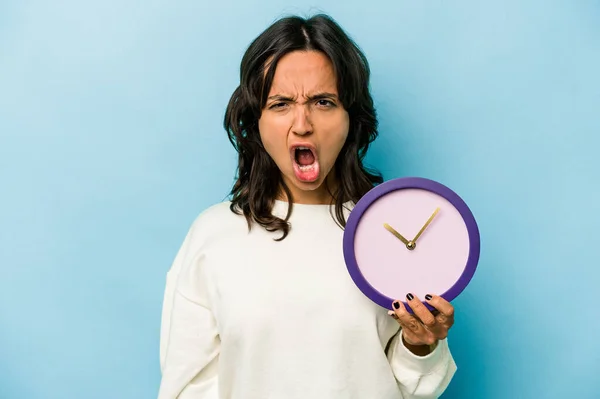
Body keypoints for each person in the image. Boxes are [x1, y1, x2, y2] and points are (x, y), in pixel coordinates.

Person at [158, 13, 457, 399]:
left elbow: (412, 387)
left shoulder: (391, 231)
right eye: (281, 103)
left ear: (351, 117)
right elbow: (187, 388)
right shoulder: (213, 235)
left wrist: (421, 345)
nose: (302, 124)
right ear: (256, 120)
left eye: (323, 101)